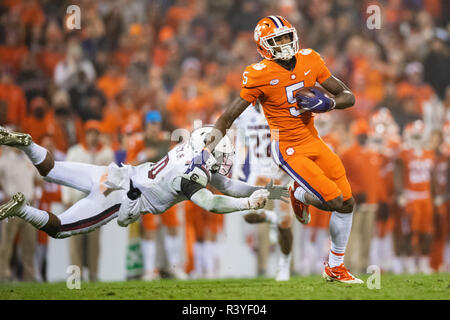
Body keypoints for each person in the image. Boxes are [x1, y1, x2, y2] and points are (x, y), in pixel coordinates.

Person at [197, 16, 362, 283]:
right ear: (264, 46)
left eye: (287, 36)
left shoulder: (310, 59)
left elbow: (348, 96)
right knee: (332, 201)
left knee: (347, 202)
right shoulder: (259, 74)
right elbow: (227, 118)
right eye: (278, 39)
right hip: (287, 147)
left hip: (313, 140)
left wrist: (328, 104)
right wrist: (205, 151)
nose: (285, 43)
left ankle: (335, 267)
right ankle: (298, 192)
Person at [0, 126, 287, 241]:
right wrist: (247, 204)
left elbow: (225, 185)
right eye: (221, 156)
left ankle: (28, 144)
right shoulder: (193, 175)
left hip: (114, 174)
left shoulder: (186, 149)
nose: (222, 162)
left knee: (50, 169)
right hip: (117, 199)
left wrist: (268, 191)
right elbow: (211, 202)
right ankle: (22, 209)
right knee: (59, 228)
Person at [233, 102, 293, 281]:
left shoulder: (282, 112)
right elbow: (242, 144)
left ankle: (284, 265)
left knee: (286, 224)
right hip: (258, 175)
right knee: (249, 215)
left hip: (280, 175)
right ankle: (271, 219)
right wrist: (237, 167)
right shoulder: (246, 115)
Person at [62, 120, 114, 282]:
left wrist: (105, 199)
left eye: (96, 133)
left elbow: (111, 179)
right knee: (75, 241)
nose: (93, 136)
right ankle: (76, 277)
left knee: (94, 243)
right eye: (90, 132)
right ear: (85, 134)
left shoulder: (106, 153)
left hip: (96, 204)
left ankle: (93, 275)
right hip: (77, 201)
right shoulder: (75, 152)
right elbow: (65, 175)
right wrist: (67, 198)